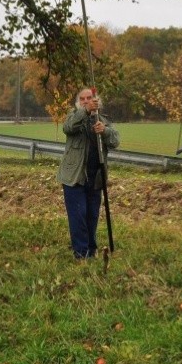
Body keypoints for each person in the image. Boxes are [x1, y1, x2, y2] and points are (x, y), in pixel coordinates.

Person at [58, 87, 119, 259]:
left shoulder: (103, 120)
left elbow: (115, 140)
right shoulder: (74, 117)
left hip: (95, 179)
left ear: (96, 100)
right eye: (83, 99)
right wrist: (86, 111)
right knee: (78, 217)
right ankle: (80, 254)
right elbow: (68, 127)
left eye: (89, 98)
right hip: (74, 178)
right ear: (79, 102)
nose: (86, 101)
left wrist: (104, 131)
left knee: (92, 216)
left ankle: (91, 250)